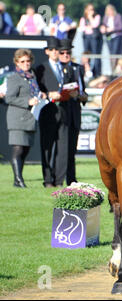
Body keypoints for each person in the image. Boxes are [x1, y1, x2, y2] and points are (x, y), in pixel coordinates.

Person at [5, 49, 45, 188]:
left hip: (30, 118)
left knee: (25, 150)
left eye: (28, 61)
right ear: (17, 63)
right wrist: (27, 101)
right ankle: (19, 180)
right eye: (22, 61)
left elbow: (34, 94)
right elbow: (9, 98)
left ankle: (17, 181)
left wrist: (41, 96)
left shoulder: (32, 77)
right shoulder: (14, 78)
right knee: (18, 149)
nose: (26, 64)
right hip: (17, 118)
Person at [35, 37, 68, 188]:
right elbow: (36, 90)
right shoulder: (40, 68)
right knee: (47, 146)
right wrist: (48, 94)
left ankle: (59, 180)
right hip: (48, 110)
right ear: (47, 51)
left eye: (57, 50)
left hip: (63, 110)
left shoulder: (65, 67)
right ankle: (48, 179)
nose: (55, 52)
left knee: (63, 147)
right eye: (52, 50)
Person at [58, 39, 88, 185]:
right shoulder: (56, 68)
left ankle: (71, 178)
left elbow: (84, 93)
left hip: (75, 111)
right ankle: (57, 178)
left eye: (68, 52)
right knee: (60, 149)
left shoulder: (78, 68)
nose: (65, 55)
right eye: (62, 53)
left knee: (71, 150)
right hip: (60, 112)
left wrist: (81, 96)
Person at [79, 3, 102, 78]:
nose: (90, 11)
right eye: (89, 10)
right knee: (86, 54)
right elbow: (82, 28)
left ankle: (96, 72)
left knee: (95, 54)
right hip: (86, 38)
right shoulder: (83, 18)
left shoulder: (97, 16)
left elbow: (95, 25)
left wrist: (91, 18)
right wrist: (88, 27)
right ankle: (86, 70)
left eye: (92, 10)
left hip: (94, 38)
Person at [100, 4, 122, 70]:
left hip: (117, 36)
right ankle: (112, 68)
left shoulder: (118, 16)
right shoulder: (105, 18)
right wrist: (103, 29)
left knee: (115, 52)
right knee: (111, 53)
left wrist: (112, 29)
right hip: (108, 37)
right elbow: (103, 25)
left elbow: (120, 27)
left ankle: (115, 67)